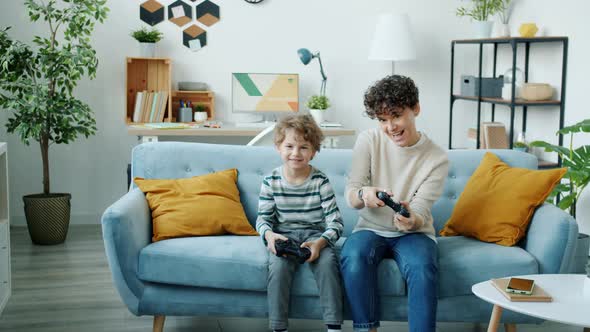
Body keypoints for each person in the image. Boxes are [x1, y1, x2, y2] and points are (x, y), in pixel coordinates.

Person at [340, 75, 449, 332]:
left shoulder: (437, 158)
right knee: (353, 255)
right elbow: (352, 193)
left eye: (397, 116)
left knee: (422, 268)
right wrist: (364, 195)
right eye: (382, 120)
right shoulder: (368, 141)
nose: (390, 127)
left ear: (416, 109)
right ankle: (366, 329)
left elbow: (420, 209)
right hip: (369, 228)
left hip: (414, 234)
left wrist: (413, 219)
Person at [256, 114, 344, 332]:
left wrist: (321, 243)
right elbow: (263, 219)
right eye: (289, 146)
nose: (296, 153)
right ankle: (279, 327)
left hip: (315, 235)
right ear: (278, 147)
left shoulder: (320, 181)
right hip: (284, 235)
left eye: (304, 147)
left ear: (313, 151)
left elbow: (336, 222)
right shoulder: (271, 181)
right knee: (277, 268)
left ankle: (333, 326)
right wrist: (269, 236)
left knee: (327, 265)